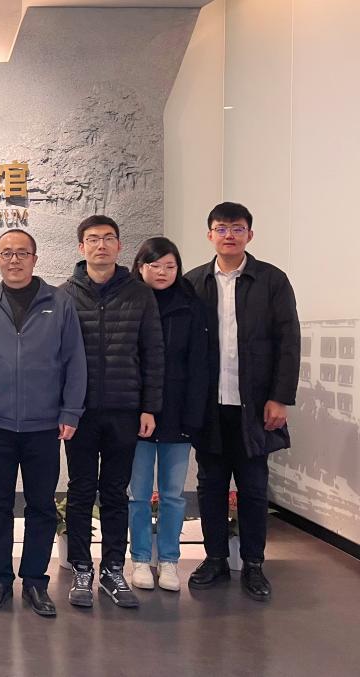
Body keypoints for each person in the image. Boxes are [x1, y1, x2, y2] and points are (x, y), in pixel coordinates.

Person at [0, 229, 86, 617]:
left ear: (35, 258)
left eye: (22, 253)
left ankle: (35, 582)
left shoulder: (60, 302)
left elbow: (74, 360)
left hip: (44, 425)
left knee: (41, 506)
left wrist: (70, 412)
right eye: (6, 253)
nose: (14, 259)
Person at [185, 202, 300, 601]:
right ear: (210, 235)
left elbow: (289, 341)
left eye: (237, 228)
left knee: (253, 487)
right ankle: (215, 559)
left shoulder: (271, 280)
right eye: (221, 228)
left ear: (249, 234)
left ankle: (253, 564)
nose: (229, 235)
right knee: (210, 485)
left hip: (255, 404)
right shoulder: (194, 282)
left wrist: (280, 398)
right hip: (210, 406)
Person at [59, 215, 164, 609]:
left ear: (119, 246)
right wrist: (62, 409)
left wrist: (149, 406)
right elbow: (56, 358)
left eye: (108, 238)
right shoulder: (64, 295)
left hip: (124, 409)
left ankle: (113, 569)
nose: (100, 245)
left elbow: (153, 353)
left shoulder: (139, 294)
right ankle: (81, 568)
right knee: (81, 490)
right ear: (81, 247)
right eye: (92, 239)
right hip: (80, 412)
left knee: (117, 492)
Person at [127, 237, 208, 592]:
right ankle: (141, 558)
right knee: (139, 494)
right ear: (140, 267)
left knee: (174, 494)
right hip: (138, 414)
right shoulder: (129, 301)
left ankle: (170, 560)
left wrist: (194, 414)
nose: (162, 272)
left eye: (170, 266)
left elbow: (200, 363)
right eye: (154, 265)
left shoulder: (191, 305)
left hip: (177, 413)